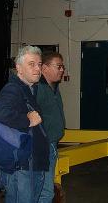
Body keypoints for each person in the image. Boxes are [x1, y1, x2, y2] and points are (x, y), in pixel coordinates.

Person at [0, 46, 49, 203]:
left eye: (39, 64)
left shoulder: (29, 89)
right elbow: (1, 113)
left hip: (32, 163)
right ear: (19, 68)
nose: (37, 68)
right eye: (31, 64)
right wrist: (27, 120)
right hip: (23, 166)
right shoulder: (13, 88)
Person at [37, 52, 66, 203]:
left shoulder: (53, 87)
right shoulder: (38, 89)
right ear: (45, 68)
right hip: (44, 146)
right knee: (46, 192)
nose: (62, 70)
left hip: (52, 144)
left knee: (45, 189)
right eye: (58, 66)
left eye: (63, 67)